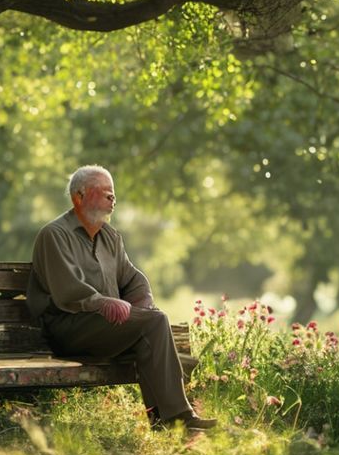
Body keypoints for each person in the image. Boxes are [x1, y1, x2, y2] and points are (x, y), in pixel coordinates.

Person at [26, 165, 216, 430]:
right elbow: (67, 290)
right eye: (104, 191)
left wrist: (142, 302)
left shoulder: (111, 237)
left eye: (113, 193)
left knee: (151, 326)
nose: (112, 197)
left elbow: (132, 278)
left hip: (102, 328)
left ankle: (165, 422)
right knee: (155, 323)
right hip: (66, 329)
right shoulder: (55, 235)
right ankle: (178, 418)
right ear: (78, 197)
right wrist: (102, 302)